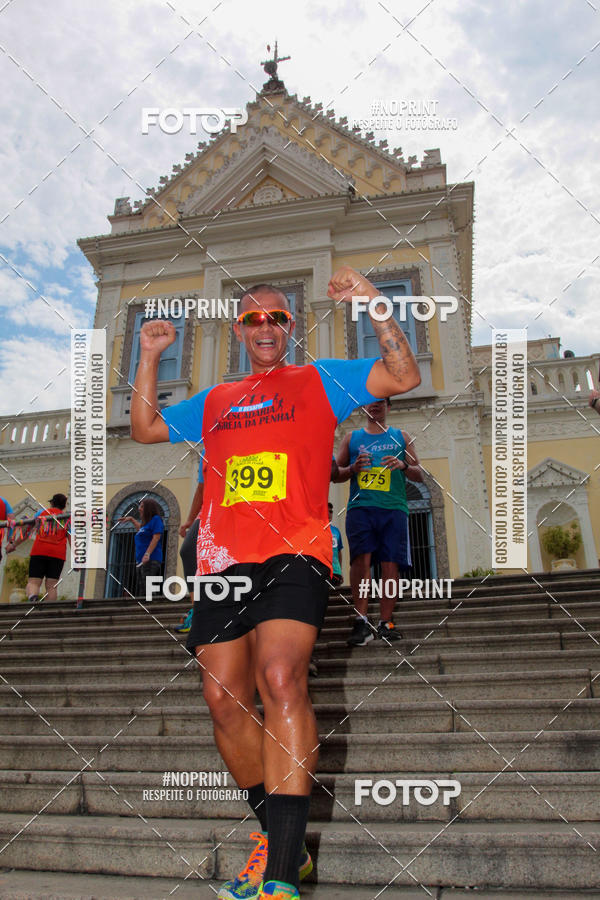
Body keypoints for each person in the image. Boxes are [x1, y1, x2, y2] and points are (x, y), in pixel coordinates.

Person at [130, 266, 420, 899]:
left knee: (281, 677)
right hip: (220, 565)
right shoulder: (215, 400)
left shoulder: (319, 380)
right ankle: (276, 836)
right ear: (239, 330)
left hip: (297, 552)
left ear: (291, 327)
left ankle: (282, 876)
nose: (266, 326)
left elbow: (402, 374)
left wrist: (373, 304)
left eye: (278, 317)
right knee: (222, 701)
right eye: (254, 318)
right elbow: (146, 428)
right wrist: (150, 354)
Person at [335, 399, 422, 646]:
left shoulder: (401, 436)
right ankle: (361, 621)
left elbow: (420, 473)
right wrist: (352, 468)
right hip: (361, 508)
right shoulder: (351, 438)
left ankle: (385, 622)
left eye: (380, 403)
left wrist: (403, 465)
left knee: (390, 565)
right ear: (363, 408)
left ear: (388, 407)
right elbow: (335, 475)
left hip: (393, 509)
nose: (374, 406)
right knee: (360, 562)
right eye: (370, 403)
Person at [6, 493, 70, 603]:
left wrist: (13, 544)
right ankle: (49, 609)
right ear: (64, 505)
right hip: (57, 554)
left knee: (33, 582)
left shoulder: (41, 514)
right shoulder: (67, 519)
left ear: (52, 503)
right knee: (52, 585)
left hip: (39, 551)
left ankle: (33, 598)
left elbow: (26, 533)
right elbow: (71, 538)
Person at [175, 455, 205, 633]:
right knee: (188, 551)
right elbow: (201, 489)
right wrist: (190, 520)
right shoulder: (206, 450)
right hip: (209, 510)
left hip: (236, 507)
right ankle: (198, 610)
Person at [117, 498, 164, 598]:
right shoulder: (146, 524)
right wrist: (131, 519)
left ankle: (150, 609)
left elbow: (156, 537)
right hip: (141, 561)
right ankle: (146, 609)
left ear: (148, 508)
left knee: (148, 589)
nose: (139, 509)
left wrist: (147, 554)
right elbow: (141, 530)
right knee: (143, 588)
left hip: (150, 560)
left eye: (142, 506)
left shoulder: (156, 519)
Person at [328, 501, 343, 587]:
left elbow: (339, 551)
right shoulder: (318, 529)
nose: (329, 514)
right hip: (323, 571)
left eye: (331, 511)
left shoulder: (336, 531)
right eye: (327, 511)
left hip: (336, 572)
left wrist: (340, 571)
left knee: (337, 597)